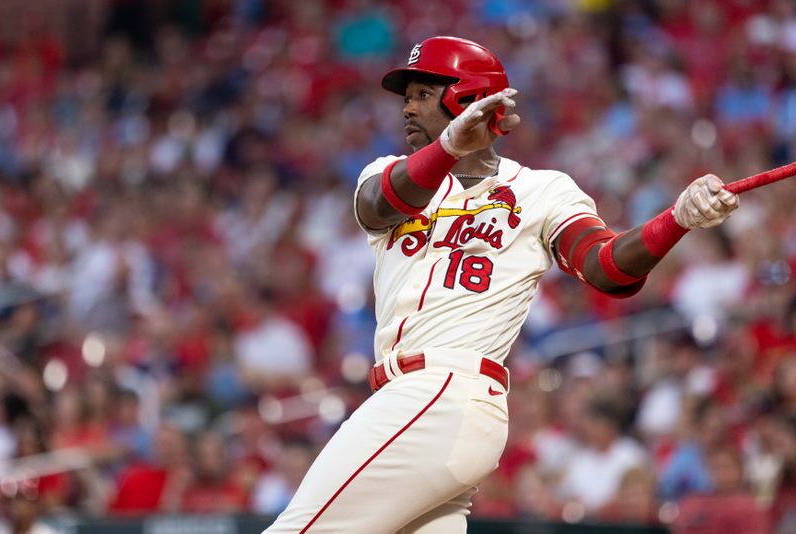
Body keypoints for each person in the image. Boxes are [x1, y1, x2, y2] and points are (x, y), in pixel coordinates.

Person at [264, 36, 739, 533]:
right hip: (418, 402)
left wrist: (675, 221)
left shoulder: (542, 190)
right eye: (406, 97)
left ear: (468, 97)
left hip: (446, 389)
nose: (407, 108)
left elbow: (605, 269)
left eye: (424, 93)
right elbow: (377, 206)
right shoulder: (388, 174)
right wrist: (449, 146)